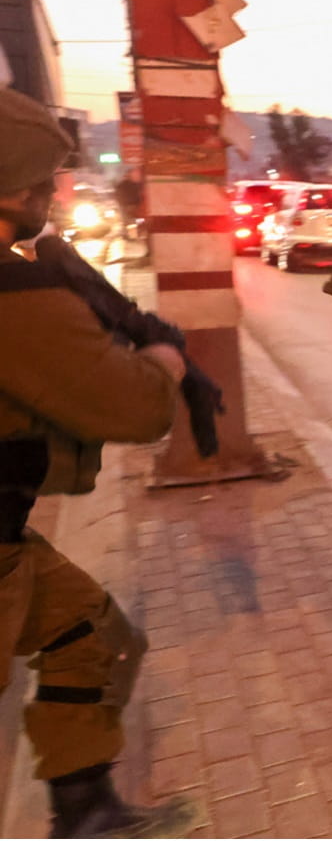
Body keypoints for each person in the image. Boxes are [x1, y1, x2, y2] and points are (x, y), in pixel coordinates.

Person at [0, 88, 198, 839]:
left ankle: (87, 815)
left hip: (10, 542)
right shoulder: (13, 294)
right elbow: (137, 408)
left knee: (92, 636)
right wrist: (163, 358)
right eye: (41, 180)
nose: (52, 193)